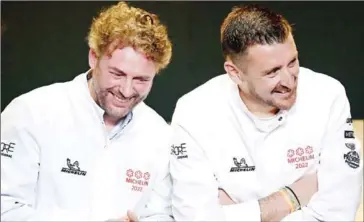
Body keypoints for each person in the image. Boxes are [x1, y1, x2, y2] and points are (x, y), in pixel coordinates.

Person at [170, 4, 363, 221]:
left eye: (293, 62)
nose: (289, 81)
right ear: (235, 73)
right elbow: (195, 217)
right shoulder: (193, 112)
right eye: (272, 72)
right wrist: (293, 197)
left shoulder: (328, 95)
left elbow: (339, 209)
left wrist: (235, 212)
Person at [1, 2, 173, 221]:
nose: (126, 90)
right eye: (117, 74)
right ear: (93, 57)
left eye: (141, 79)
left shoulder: (160, 135)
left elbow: (161, 213)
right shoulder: (30, 114)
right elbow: (5, 208)